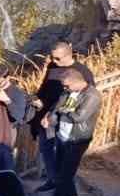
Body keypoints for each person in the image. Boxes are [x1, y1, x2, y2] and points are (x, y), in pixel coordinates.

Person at [28, 42, 95, 188]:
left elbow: (84, 98)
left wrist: (58, 113)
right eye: (52, 57)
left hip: (64, 119)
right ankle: (52, 180)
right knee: (46, 149)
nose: (53, 61)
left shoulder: (82, 72)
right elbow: (45, 86)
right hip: (45, 115)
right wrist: (37, 99)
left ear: (68, 55)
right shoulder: (52, 66)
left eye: (57, 58)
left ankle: (63, 188)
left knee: (62, 156)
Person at [41, 72, 102, 196]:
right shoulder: (68, 91)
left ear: (77, 82)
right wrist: (49, 117)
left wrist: (60, 113)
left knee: (64, 174)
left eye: (67, 85)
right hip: (63, 136)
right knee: (64, 171)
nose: (65, 88)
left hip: (77, 140)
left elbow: (79, 117)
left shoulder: (92, 96)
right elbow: (57, 106)